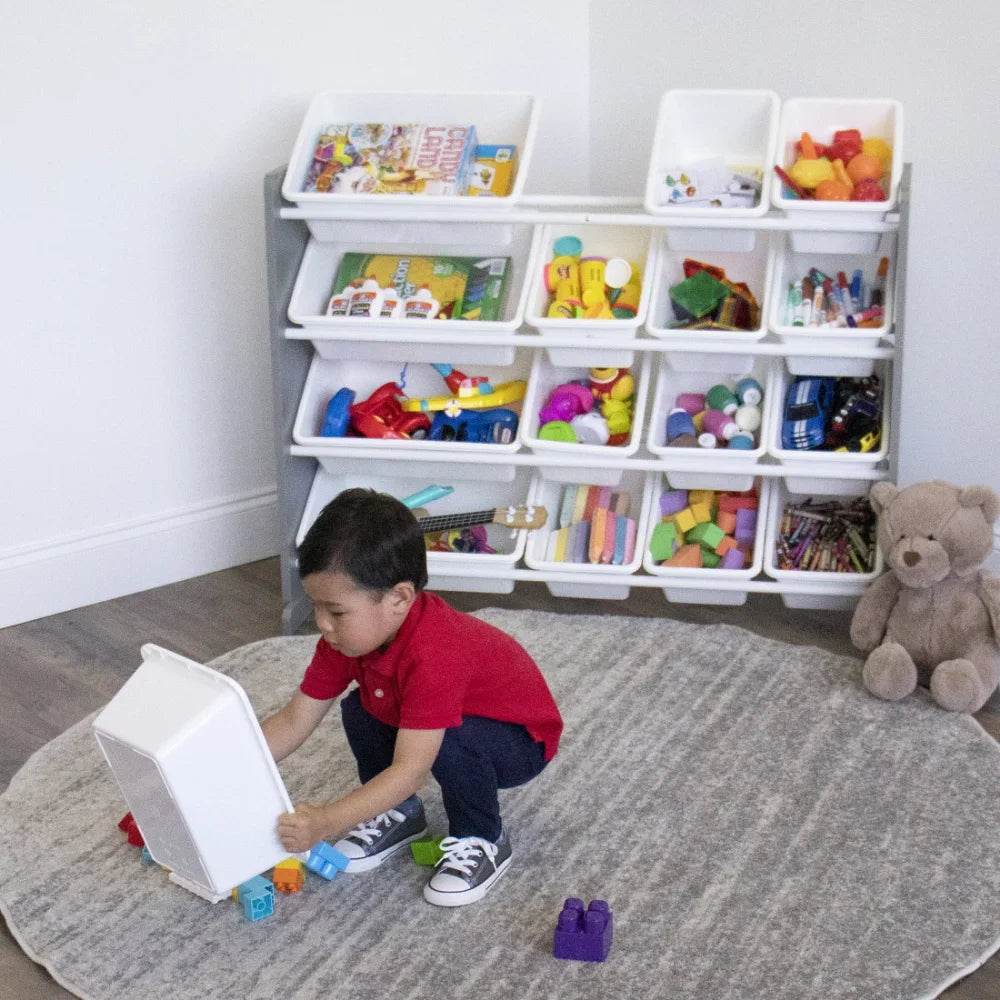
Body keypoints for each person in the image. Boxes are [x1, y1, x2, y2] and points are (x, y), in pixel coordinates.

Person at [261, 488, 563, 907]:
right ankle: (399, 813)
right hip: (438, 717)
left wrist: (329, 821)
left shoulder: (435, 654)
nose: (322, 624)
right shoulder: (345, 641)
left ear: (399, 598)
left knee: (452, 741)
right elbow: (294, 720)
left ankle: (482, 836)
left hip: (518, 743)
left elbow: (410, 769)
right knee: (360, 708)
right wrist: (229, 768)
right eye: (316, 607)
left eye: (336, 611)